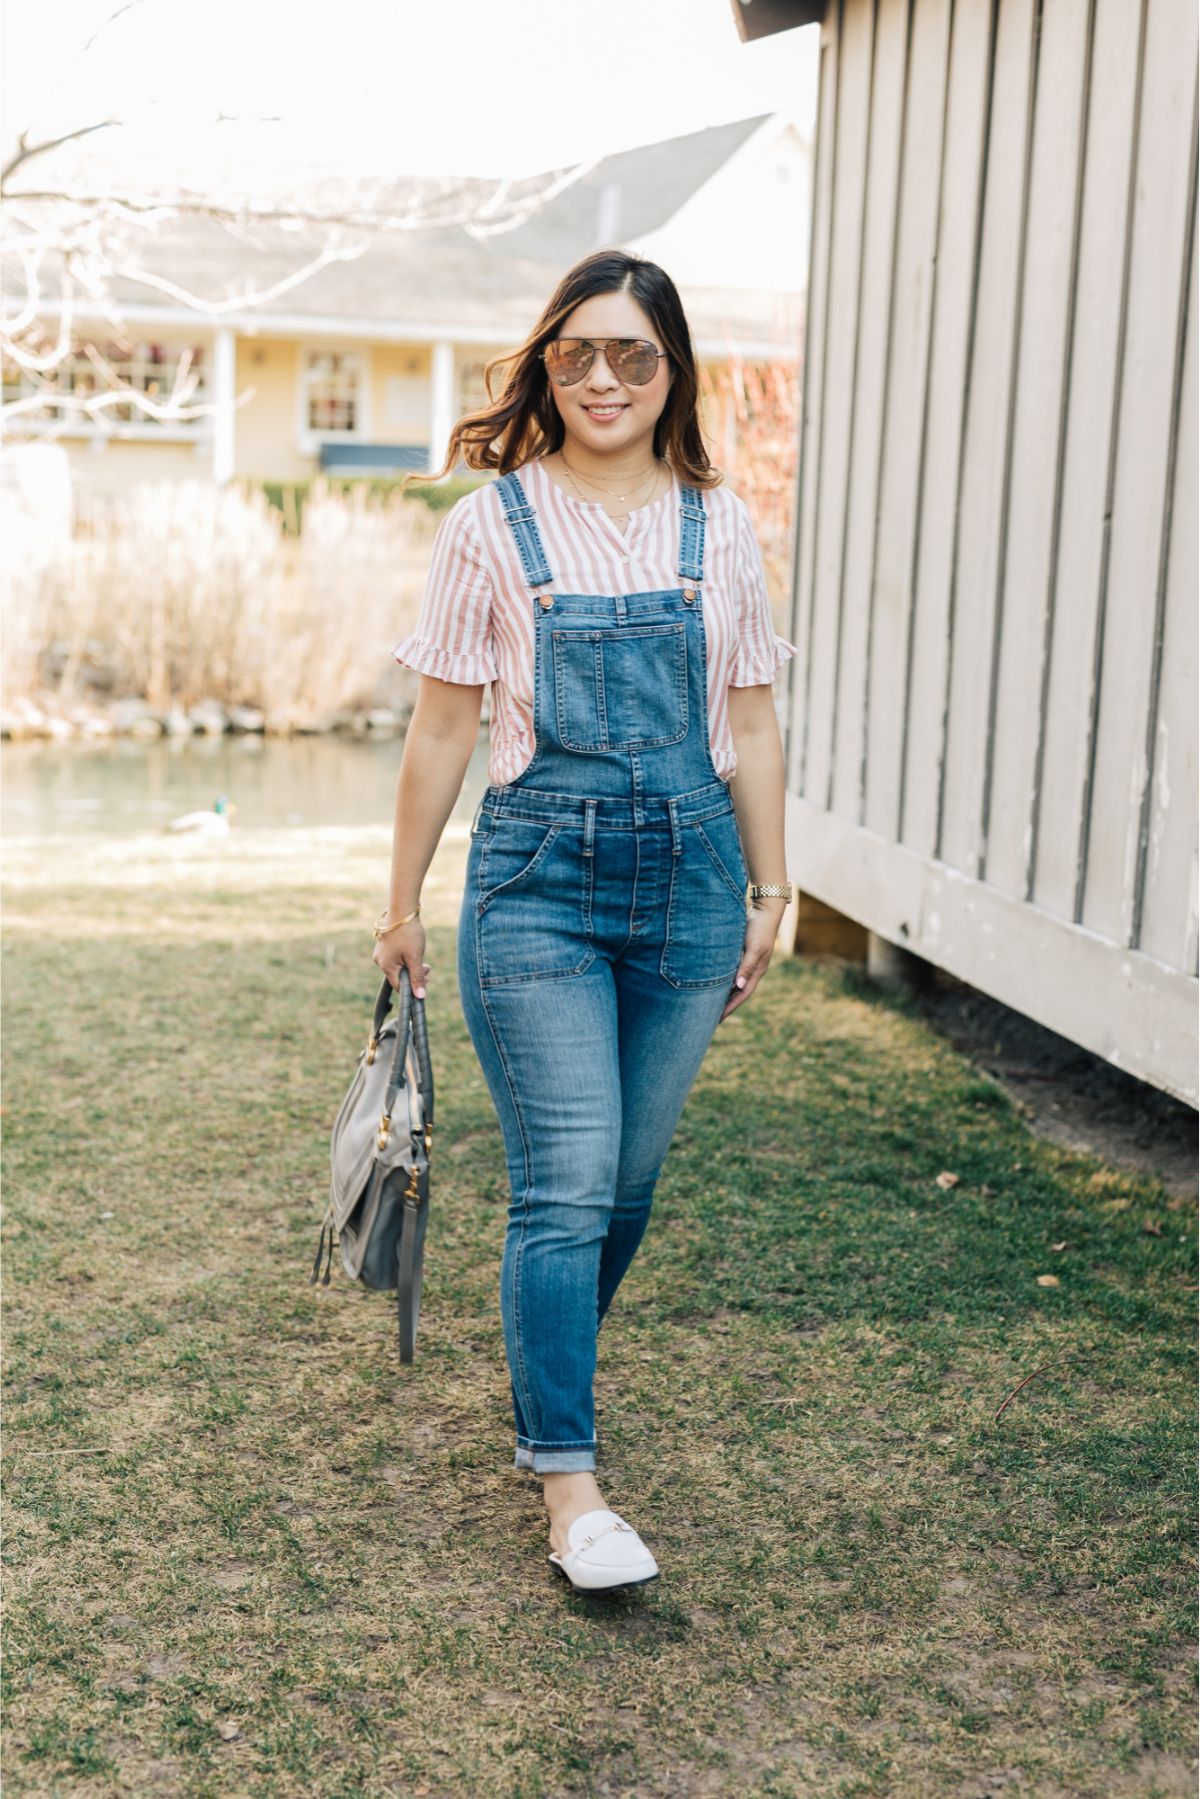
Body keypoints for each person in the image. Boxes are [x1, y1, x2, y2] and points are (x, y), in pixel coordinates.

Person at [373, 248, 797, 1592]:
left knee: (623, 1188)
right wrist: (398, 902)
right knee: (563, 1183)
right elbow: (444, 726)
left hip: (688, 882)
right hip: (535, 886)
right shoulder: (489, 528)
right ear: (545, 365)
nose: (603, 378)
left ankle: (544, 1368)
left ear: (673, 372)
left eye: (634, 354)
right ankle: (570, 1485)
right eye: (578, 354)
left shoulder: (718, 528)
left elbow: (751, 719)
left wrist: (773, 889)